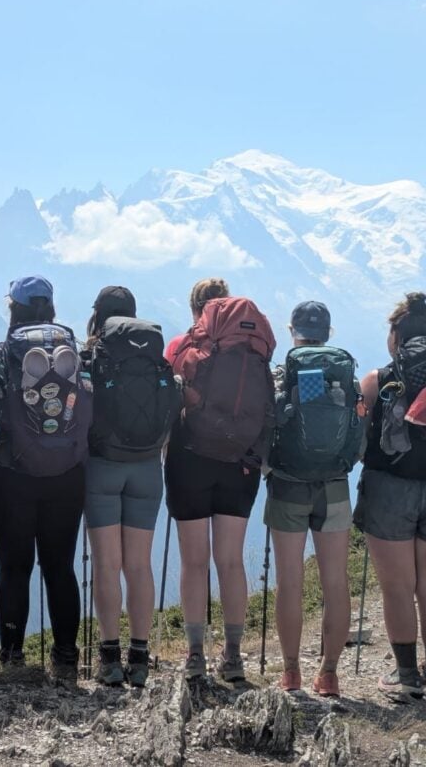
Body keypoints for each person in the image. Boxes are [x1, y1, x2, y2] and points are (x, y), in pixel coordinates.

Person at [165, 278, 275, 681]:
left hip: (190, 459)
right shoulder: (253, 348)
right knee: (230, 560)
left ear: (198, 313)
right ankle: (232, 656)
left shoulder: (182, 347)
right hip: (240, 463)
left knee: (195, 562)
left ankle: (195, 655)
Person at [0, 275, 91, 679]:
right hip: (68, 473)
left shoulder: (5, 352)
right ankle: (66, 656)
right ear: (49, 307)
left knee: (14, 568)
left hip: (12, 473)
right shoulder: (73, 352)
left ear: (13, 308)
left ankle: (13, 657)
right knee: (60, 566)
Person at [265, 301, 364, 697]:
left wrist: (268, 467)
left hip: (288, 484)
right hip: (335, 487)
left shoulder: (283, 374)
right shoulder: (345, 376)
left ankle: (291, 674)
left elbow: (269, 424)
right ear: (328, 332)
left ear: (293, 331)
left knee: (290, 582)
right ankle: (330, 674)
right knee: (335, 582)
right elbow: (358, 432)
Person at [84, 286, 180, 687]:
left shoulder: (93, 355)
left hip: (103, 466)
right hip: (146, 468)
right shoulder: (152, 355)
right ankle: (140, 656)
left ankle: (109, 659)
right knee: (138, 564)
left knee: (106, 563)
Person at [354, 292, 426, 698]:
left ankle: (406, 676)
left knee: (398, 586)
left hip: (388, 489)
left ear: (397, 334)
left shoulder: (377, 380)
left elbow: (360, 442)